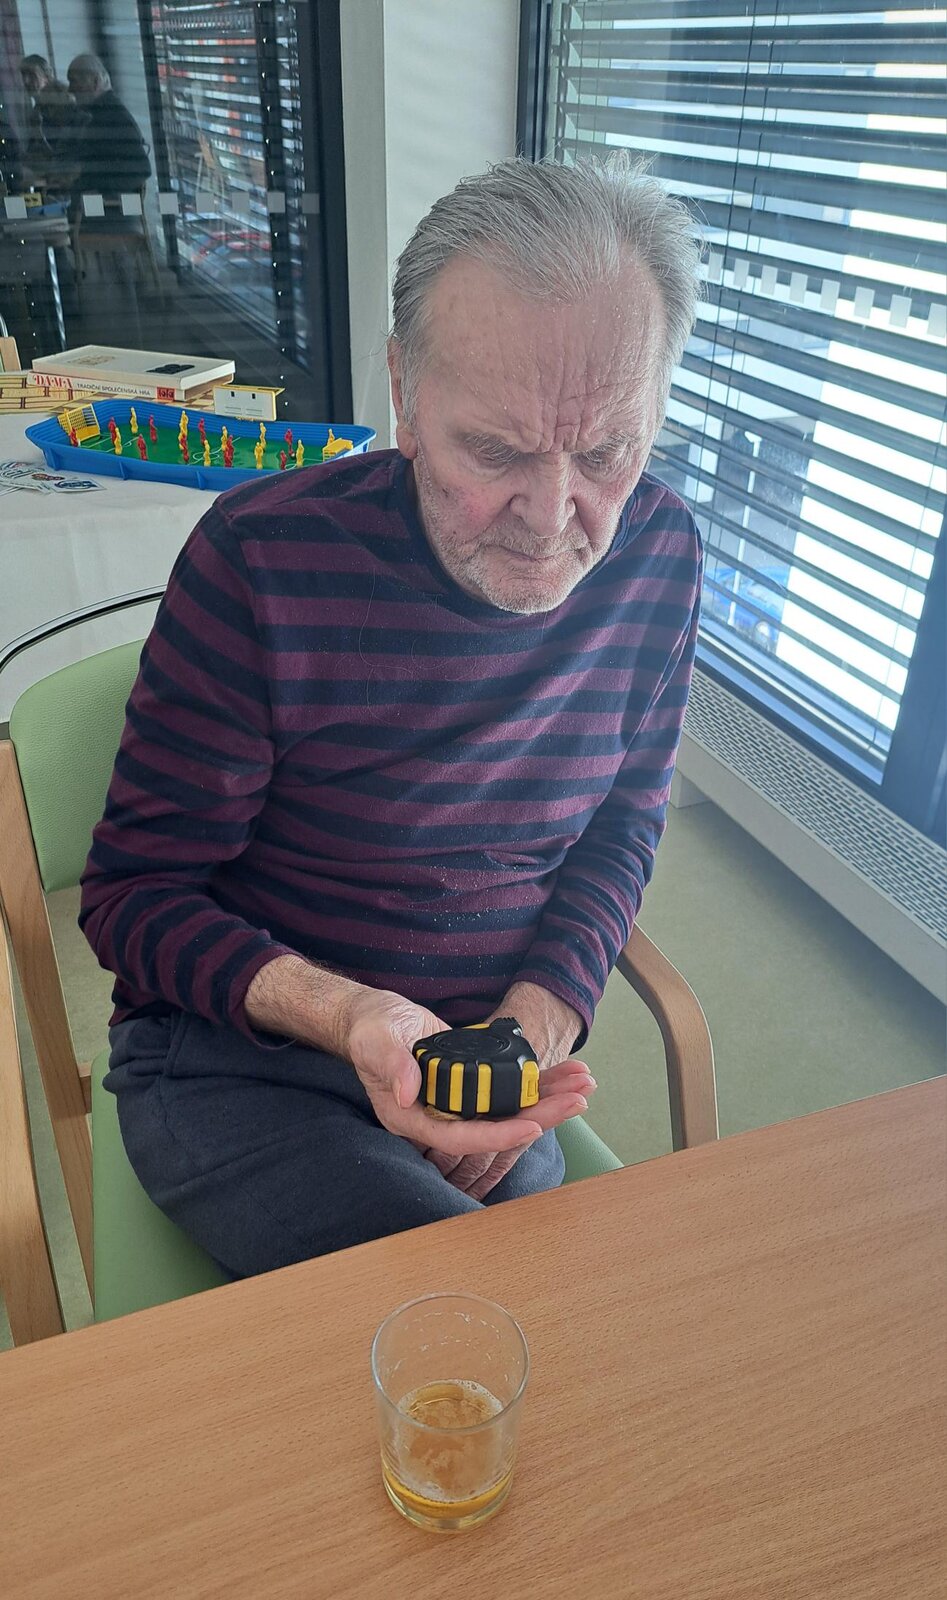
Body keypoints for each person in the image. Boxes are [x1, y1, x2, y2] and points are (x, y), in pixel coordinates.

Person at [80, 155, 703, 1281]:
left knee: (528, 1313)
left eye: (606, 451)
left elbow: (620, 833)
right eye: (495, 452)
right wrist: (351, 1017)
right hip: (241, 1054)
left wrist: (527, 1029)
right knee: (481, 1303)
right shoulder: (261, 562)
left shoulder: (659, 555)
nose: (549, 518)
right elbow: (131, 900)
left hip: (479, 1056)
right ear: (405, 397)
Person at [66, 54, 150, 205]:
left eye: (74, 81)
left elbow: (141, 169)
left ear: (95, 81)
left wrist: (95, 188)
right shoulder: (97, 115)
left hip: (110, 210)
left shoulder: (113, 117)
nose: (70, 89)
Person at [19, 55, 80, 189]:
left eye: (31, 75)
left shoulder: (63, 104)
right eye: (23, 75)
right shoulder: (37, 111)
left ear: (46, 76)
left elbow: (67, 152)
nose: (26, 81)